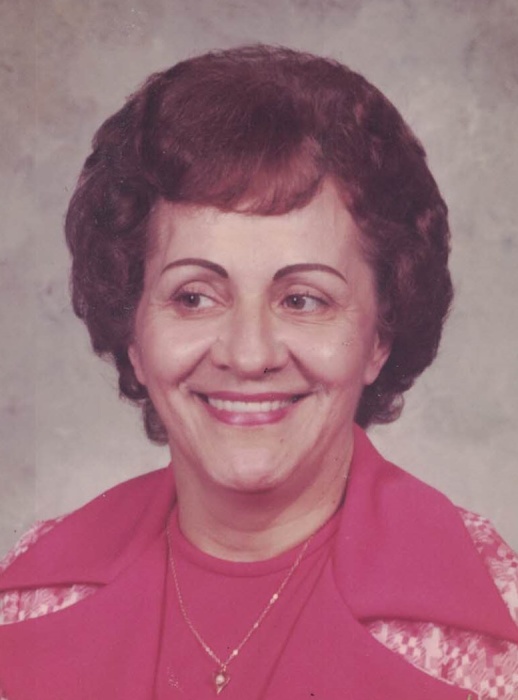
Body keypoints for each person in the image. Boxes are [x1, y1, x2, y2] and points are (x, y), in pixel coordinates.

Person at [0, 45, 517, 700]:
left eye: (303, 299)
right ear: (133, 333)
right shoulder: (26, 597)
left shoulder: (496, 632)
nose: (248, 355)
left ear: (379, 337)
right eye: (194, 296)